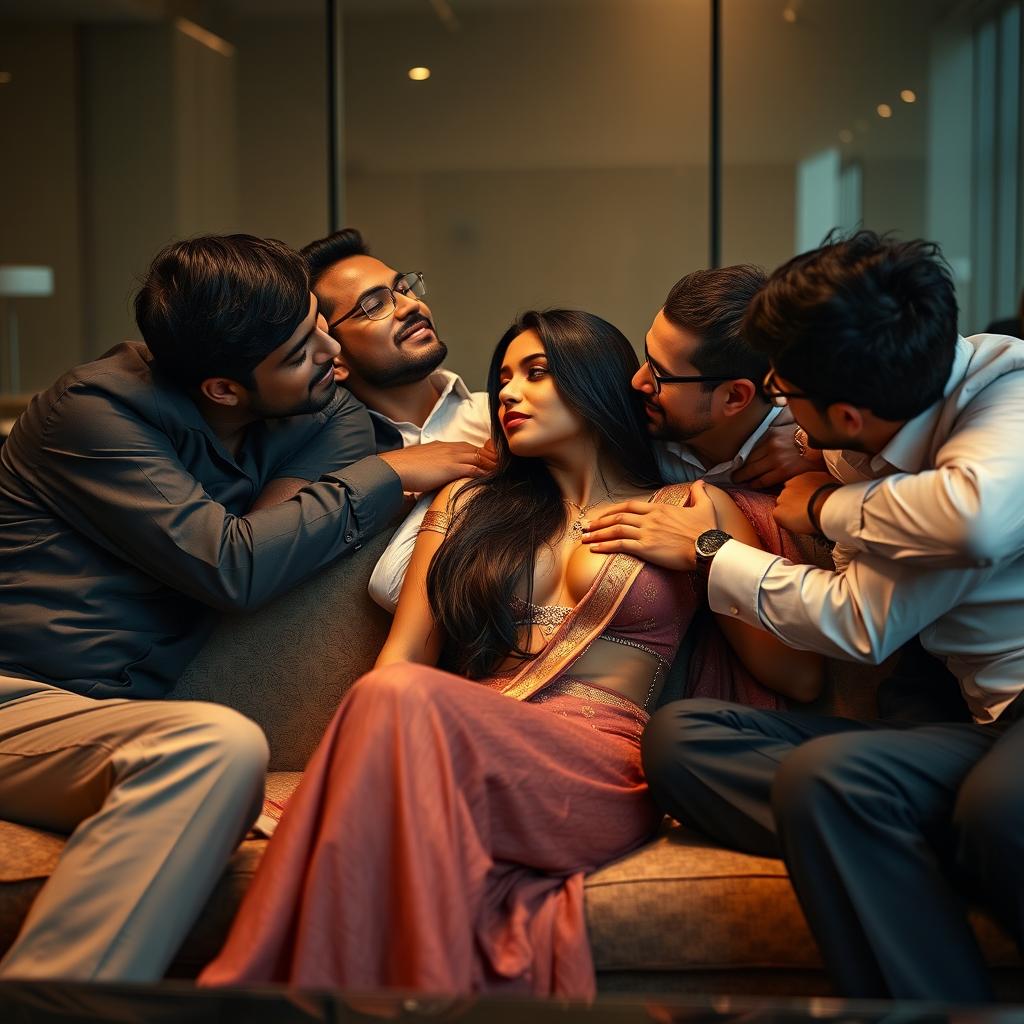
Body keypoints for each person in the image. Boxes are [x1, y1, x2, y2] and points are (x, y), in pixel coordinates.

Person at [200, 309, 822, 997]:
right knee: (390, 692)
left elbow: (793, 674)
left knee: (397, 698)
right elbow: (400, 661)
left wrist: (707, 555)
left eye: (536, 373)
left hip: (600, 767)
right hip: (462, 743)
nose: (508, 395)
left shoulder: (691, 506)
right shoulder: (469, 505)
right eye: (501, 380)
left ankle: (254, 993)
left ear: (594, 382)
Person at [0, 234, 486, 981]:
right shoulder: (91, 414)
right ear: (223, 389)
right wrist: (389, 472)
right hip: (17, 698)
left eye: (318, 326)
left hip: (111, 720)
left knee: (212, 751)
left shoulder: (328, 416)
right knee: (212, 748)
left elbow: (268, 548)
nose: (329, 353)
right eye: (298, 352)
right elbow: (233, 567)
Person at [584, 231, 1024, 1002]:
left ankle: (891, 840)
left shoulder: (1005, 402)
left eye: (783, 391)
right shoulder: (860, 430)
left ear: (848, 415)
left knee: (864, 788)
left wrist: (776, 524)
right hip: (984, 727)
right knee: (686, 743)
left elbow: (886, 602)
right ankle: (894, 835)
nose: (774, 399)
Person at [300, 228, 492, 612]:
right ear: (331, 355)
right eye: (374, 305)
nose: (409, 306)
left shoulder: (502, 415)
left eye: (402, 288)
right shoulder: (331, 469)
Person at [639, 264, 823, 490]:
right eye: (647, 355)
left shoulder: (822, 456)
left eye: (660, 374)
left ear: (734, 397)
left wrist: (817, 450)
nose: (637, 381)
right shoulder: (627, 422)